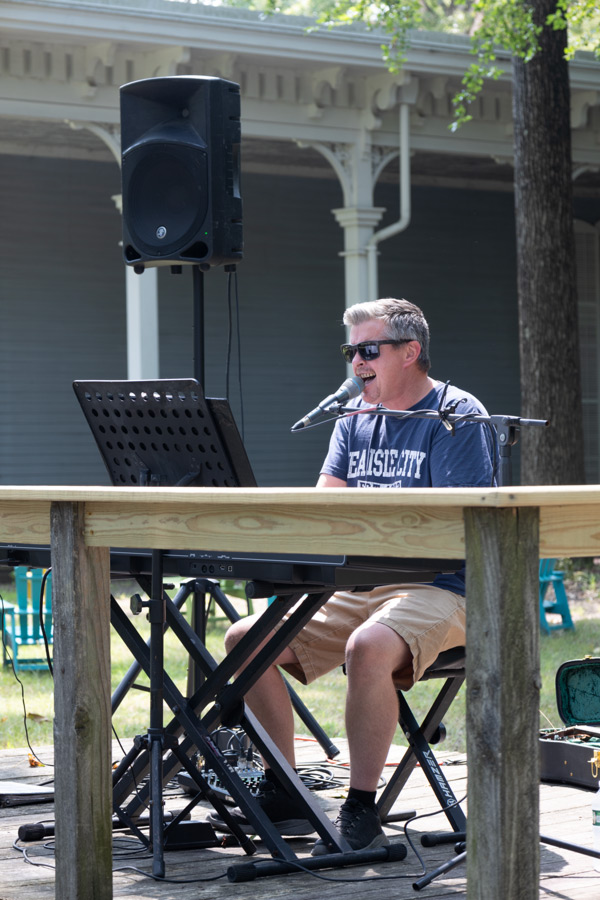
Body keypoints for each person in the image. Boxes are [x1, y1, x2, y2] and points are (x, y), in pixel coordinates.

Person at [208, 297, 495, 855]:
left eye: (369, 350)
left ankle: (363, 807)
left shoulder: (455, 414)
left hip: (442, 589)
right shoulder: (353, 420)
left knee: (369, 646)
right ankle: (286, 788)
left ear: (411, 352)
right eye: (351, 351)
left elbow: (458, 530)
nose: (357, 363)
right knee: (247, 640)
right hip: (360, 584)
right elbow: (327, 511)